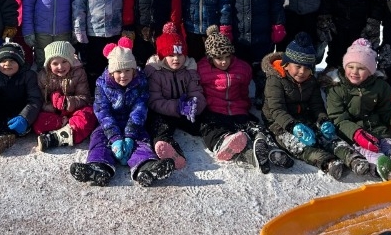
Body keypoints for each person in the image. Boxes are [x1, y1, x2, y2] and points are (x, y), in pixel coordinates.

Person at [262, 33, 370, 180]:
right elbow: (276, 109)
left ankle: (352, 158)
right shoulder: (275, 80)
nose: (302, 72)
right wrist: (292, 126)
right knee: (298, 145)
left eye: (307, 68)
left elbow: (316, 105)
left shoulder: (310, 80)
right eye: (298, 66)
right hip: (280, 123)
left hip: (304, 117)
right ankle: (328, 162)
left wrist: (322, 120)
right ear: (286, 65)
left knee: (326, 135)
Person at [69, 38, 175, 187]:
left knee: (142, 140)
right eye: (118, 71)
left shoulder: (140, 83)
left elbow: (140, 108)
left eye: (127, 70)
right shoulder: (102, 84)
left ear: (133, 70)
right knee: (98, 138)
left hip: (133, 123)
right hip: (109, 124)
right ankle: (98, 167)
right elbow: (102, 111)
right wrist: (115, 137)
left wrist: (130, 135)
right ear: (112, 72)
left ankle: (146, 167)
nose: (123, 75)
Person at [325, 38, 391, 181]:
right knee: (373, 154)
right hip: (354, 136)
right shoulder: (336, 89)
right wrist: (357, 133)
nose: (354, 72)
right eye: (350, 66)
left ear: (370, 70)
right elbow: (338, 118)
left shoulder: (380, 87)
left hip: (379, 131)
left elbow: (387, 110)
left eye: (361, 68)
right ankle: (384, 168)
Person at [197, 26, 292, 173]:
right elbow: (198, 90)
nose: (224, 62)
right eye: (219, 58)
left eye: (227, 57)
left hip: (237, 108)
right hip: (214, 110)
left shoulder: (242, 68)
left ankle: (269, 147)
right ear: (210, 57)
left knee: (254, 125)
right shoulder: (202, 69)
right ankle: (226, 144)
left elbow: (243, 90)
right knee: (210, 130)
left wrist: (244, 104)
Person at [230, 0, 286, 105]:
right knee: (241, 67)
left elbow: (277, 2)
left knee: (262, 66)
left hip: (262, 32)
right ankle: (241, 96)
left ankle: (264, 95)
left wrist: (278, 24)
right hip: (239, 34)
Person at [144, 23, 206, 170]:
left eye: (179, 54)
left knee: (206, 121)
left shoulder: (189, 70)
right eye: (171, 55)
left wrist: (194, 106)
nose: (176, 59)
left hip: (186, 111)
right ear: (162, 56)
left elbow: (197, 93)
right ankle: (170, 150)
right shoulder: (155, 72)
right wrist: (177, 106)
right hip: (163, 112)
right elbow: (154, 100)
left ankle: (219, 139)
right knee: (158, 126)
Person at [0, 40, 42, 154]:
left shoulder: (29, 76)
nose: (7, 64)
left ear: (20, 62)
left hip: (20, 112)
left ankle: (4, 137)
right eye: (3, 61)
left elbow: (35, 100)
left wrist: (25, 117)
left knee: (26, 124)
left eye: (12, 61)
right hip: (1, 112)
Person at [34, 40, 96, 151]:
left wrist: (68, 102)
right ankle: (65, 127)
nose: (60, 66)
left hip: (74, 111)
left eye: (64, 62)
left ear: (71, 61)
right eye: (55, 63)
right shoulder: (43, 76)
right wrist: (51, 107)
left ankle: (56, 138)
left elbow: (84, 97)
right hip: (54, 114)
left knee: (89, 115)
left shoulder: (79, 73)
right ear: (48, 64)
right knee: (38, 122)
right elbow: (39, 100)